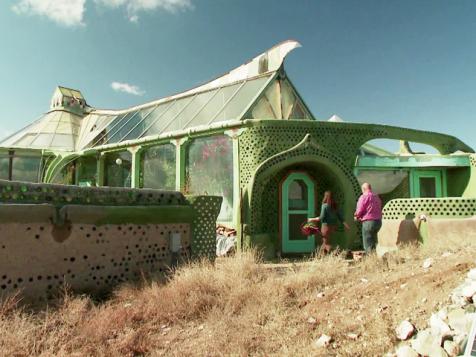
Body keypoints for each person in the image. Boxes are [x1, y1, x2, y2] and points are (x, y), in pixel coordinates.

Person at [354, 182, 382, 253]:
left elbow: (360, 210)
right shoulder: (376, 197)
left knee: (368, 243)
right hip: (378, 222)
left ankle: (370, 259)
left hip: (369, 222)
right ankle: (374, 257)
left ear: (363, 189)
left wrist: (357, 216)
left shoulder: (363, 197)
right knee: (374, 241)